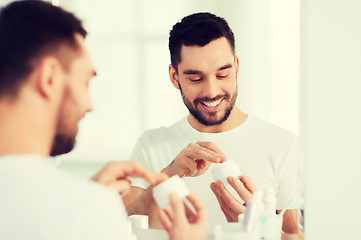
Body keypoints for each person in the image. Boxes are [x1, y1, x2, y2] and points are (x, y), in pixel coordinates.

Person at [0, 1, 208, 240]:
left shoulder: (81, 207)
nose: (89, 105)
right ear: (50, 78)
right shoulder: (88, 210)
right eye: (85, 82)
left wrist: (86, 198)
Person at [124, 12, 302, 235]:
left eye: (222, 74)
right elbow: (123, 232)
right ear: (174, 77)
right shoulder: (150, 146)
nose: (211, 92)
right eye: (195, 78)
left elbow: (297, 235)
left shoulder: (283, 145)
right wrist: (167, 176)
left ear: (236, 67)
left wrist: (259, 227)